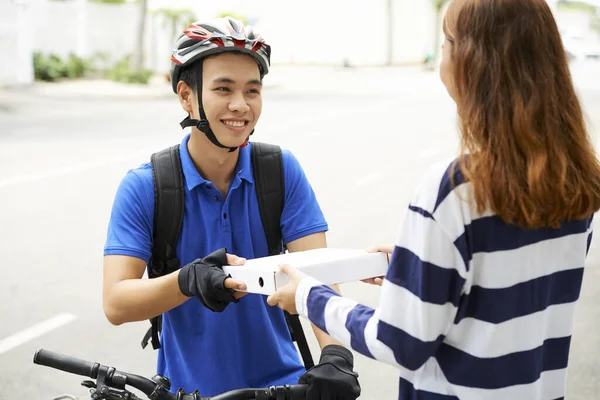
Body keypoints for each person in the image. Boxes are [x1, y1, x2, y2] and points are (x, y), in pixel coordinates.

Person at [266, 0, 600, 399]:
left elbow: (399, 343)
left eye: (446, 43)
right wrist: (418, 271)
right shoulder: (573, 181)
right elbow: (509, 292)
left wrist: (308, 296)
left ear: (470, 63)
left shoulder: (455, 190)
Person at [102, 17, 360, 399]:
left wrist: (335, 353)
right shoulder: (147, 186)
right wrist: (187, 280)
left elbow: (317, 270)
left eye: (252, 91)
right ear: (187, 96)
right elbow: (116, 302)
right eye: (223, 88)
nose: (240, 105)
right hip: (190, 391)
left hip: (284, 386)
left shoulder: (280, 171)